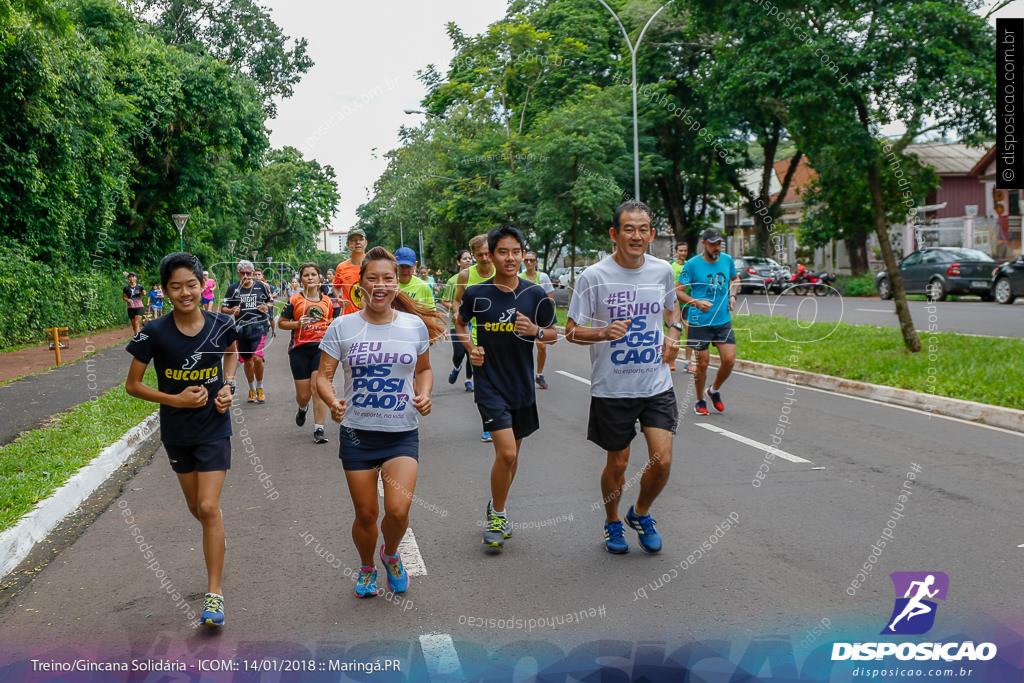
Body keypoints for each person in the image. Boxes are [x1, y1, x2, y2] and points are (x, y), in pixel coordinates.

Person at [316, 247, 446, 597]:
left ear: (396, 284)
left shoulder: (413, 326)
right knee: (366, 515)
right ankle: (367, 566)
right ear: (360, 285)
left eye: (388, 278)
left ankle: (390, 554)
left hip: (401, 432)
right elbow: (323, 376)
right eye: (372, 278)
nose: (381, 285)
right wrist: (332, 401)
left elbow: (424, 370)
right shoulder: (343, 327)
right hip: (357, 434)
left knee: (399, 511)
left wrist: (425, 394)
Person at [124, 252, 239, 626]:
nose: (185, 292)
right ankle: (216, 536)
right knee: (200, 510)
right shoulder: (153, 333)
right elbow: (133, 385)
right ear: (164, 290)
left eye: (191, 284)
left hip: (214, 426)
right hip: (177, 432)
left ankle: (214, 595)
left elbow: (232, 354)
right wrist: (175, 399)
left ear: (203, 284)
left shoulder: (221, 323)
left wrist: (228, 386)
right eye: (176, 286)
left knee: (208, 507)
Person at [567, 200, 682, 554]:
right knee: (617, 462)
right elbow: (570, 330)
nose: (636, 236)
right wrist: (602, 334)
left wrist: (674, 333)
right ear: (614, 234)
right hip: (612, 387)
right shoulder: (593, 277)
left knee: (662, 459)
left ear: (651, 233)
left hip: (655, 383)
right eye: (628, 229)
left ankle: (640, 513)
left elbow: (672, 311)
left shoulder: (662, 271)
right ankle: (613, 520)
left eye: (643, 229)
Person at [455, 225, 557, 549]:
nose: (510, 258)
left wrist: (536, 331)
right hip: (489, 383)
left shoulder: (535, 293)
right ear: (491, 255)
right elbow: (459, 323)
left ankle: (496, 506)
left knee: (511, 459)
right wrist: (471, 348)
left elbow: (554, 333)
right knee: (507, 451)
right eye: (503, 252)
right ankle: (497, 515)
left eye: (516, 251)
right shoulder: (476, 294)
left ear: (523, 254)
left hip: (522, 385)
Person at [676, 227, 740, 416]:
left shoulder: (727, 260)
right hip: (699, 322)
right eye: (713, 244)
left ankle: (713, 390)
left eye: (719, 243)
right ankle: (699, 399)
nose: (716, 248)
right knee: (702, 364)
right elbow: (678, 291)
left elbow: (735, 279)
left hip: (722, 321)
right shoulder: (692, 265)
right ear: (703, 244)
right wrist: (696, 302)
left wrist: (732, 296)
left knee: (729, 361)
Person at [278, 262, 333, 444]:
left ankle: (319, 429)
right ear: (301, 279)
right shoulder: (294, 300)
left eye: (313, 275)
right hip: (299, 349)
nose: (310, 278)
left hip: (321, 349)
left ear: (320, 278)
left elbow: (332, 321)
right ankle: (303, 409)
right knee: (304, 395)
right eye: (306, 275)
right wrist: (297, 324)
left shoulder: (327, 301)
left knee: (318, 388)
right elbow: (282, 323)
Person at [454, 234, 496, 442]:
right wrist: (457, 314)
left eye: (488, 253)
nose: (485, 258)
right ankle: (488, 425)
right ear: (473, 255)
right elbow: (456, 301)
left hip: (506, 337)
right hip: (479, 338)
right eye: (480, 255)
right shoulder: (465, 276)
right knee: (483, 385)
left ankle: (507, 419)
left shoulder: (503, 270)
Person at [221, 260, 274, 404]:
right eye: (243, 273)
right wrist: (232, 310)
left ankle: (260, 387)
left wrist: (266, 307)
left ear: (252, 273)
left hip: (259, 327)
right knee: (248, 362)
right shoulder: (233, 289)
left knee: (257, 358)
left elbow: (270, 301)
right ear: (238, 273)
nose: (246, 276)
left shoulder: (260, 286)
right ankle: (251, 389)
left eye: (248, 273)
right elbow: (224, 308)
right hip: (241, 329)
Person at [520, 251, 555, 389]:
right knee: (521, 348)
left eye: (532, 260)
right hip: (524, 317)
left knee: (542, 345)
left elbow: (550, 299)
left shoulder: (543, 277)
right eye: (527, 260)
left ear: (536, 262)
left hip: (539, 317)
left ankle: (539, 375)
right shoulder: (519, 276)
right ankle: (523, 375)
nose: (529, 262)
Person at [441, 250, 475, 392]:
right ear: (458, 262)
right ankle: (456, 367)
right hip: (458, 323)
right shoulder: (452, 281)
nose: (468, 261)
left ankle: (468, 381)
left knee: (471, 353)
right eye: (464, 258)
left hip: (474, 323)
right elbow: (445, 301)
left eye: (470, 258)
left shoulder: (477, 278)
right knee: (459, 354)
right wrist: (457, 311)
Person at [670, 243, 696, 373]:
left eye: (685, 250)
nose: (683, 253)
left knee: (689, 332)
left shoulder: (690, 265)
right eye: (681, 250)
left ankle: (687, 361)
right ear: (675, 251)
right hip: (674, 304)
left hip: (687, 304)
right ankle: (671, 359)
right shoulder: (670, 266)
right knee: (675, 332)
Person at [333, 228, 369, 315]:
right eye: (354, 240)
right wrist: (339, 298)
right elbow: (336, 286)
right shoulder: (341, 267)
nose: (357, 242)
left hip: (371, 316)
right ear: (348, 244)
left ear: (366, 243)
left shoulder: (373, 264)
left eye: (361, 240)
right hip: (349, 316)